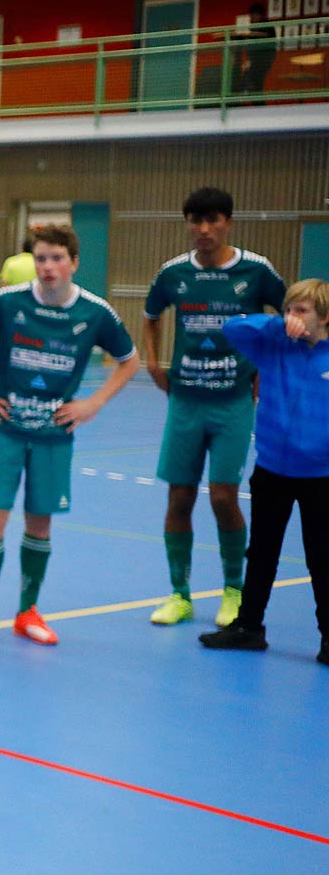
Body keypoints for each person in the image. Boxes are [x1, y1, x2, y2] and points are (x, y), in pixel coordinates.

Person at [0, 224, 140, 646]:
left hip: (54, 436)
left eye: (56, 258)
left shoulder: (94, 312)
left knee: (40, 522)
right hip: (5, 430)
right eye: (41, 258)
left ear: (74, 263)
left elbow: (129, 359)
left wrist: (94, 403)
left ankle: (29, 610)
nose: (48, 267)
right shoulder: (9, 302)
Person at [142, 186, 286, 628]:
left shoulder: (256, 270)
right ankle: (179, 595)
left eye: (213, 220)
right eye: (195, 221)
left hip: (233, 404)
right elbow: (151, 316)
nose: (204, 230)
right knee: (179, 496)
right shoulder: (173, 274)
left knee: (224, 497)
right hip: (185, 403)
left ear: (228, 222)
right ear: (187, 224)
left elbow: (284, 320)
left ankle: (233, 592)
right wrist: (152, 362)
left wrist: (266, 369)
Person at [200, 279, 329, 664]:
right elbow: (231, 327)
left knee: (322, 556)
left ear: (324, 317)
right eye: (289, 309)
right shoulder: (273, 344)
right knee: (262, 552)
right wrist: (278, 324)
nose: (292, 317)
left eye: (302, 311)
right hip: (272, 468)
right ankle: (249, 627)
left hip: (321, 476)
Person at [231, 3, 278, 100]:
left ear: (259, 15)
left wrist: (245, 35)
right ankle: (253, 99)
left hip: (263, 60)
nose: (251, 18)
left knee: (253, 80)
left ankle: (248, 95)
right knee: (255, 83)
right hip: (255, 59)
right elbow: (252, 40)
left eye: (253, 15)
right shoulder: (254, 26)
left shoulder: (266, 25)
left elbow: (261, 37)